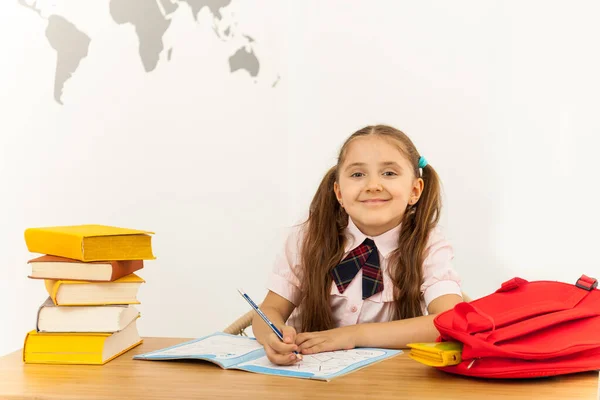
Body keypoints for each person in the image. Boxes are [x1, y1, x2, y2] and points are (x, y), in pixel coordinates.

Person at [253, 124, 463, 365]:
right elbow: (268, 311)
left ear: (415, 190)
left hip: (389, 379)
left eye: (389, 173)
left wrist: (353, 335)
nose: (373, 185)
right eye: (357, 175)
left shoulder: (428, 245)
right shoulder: (308, 238)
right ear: (339, 193)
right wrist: (273, 334)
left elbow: (450, 321)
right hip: (306, 377)